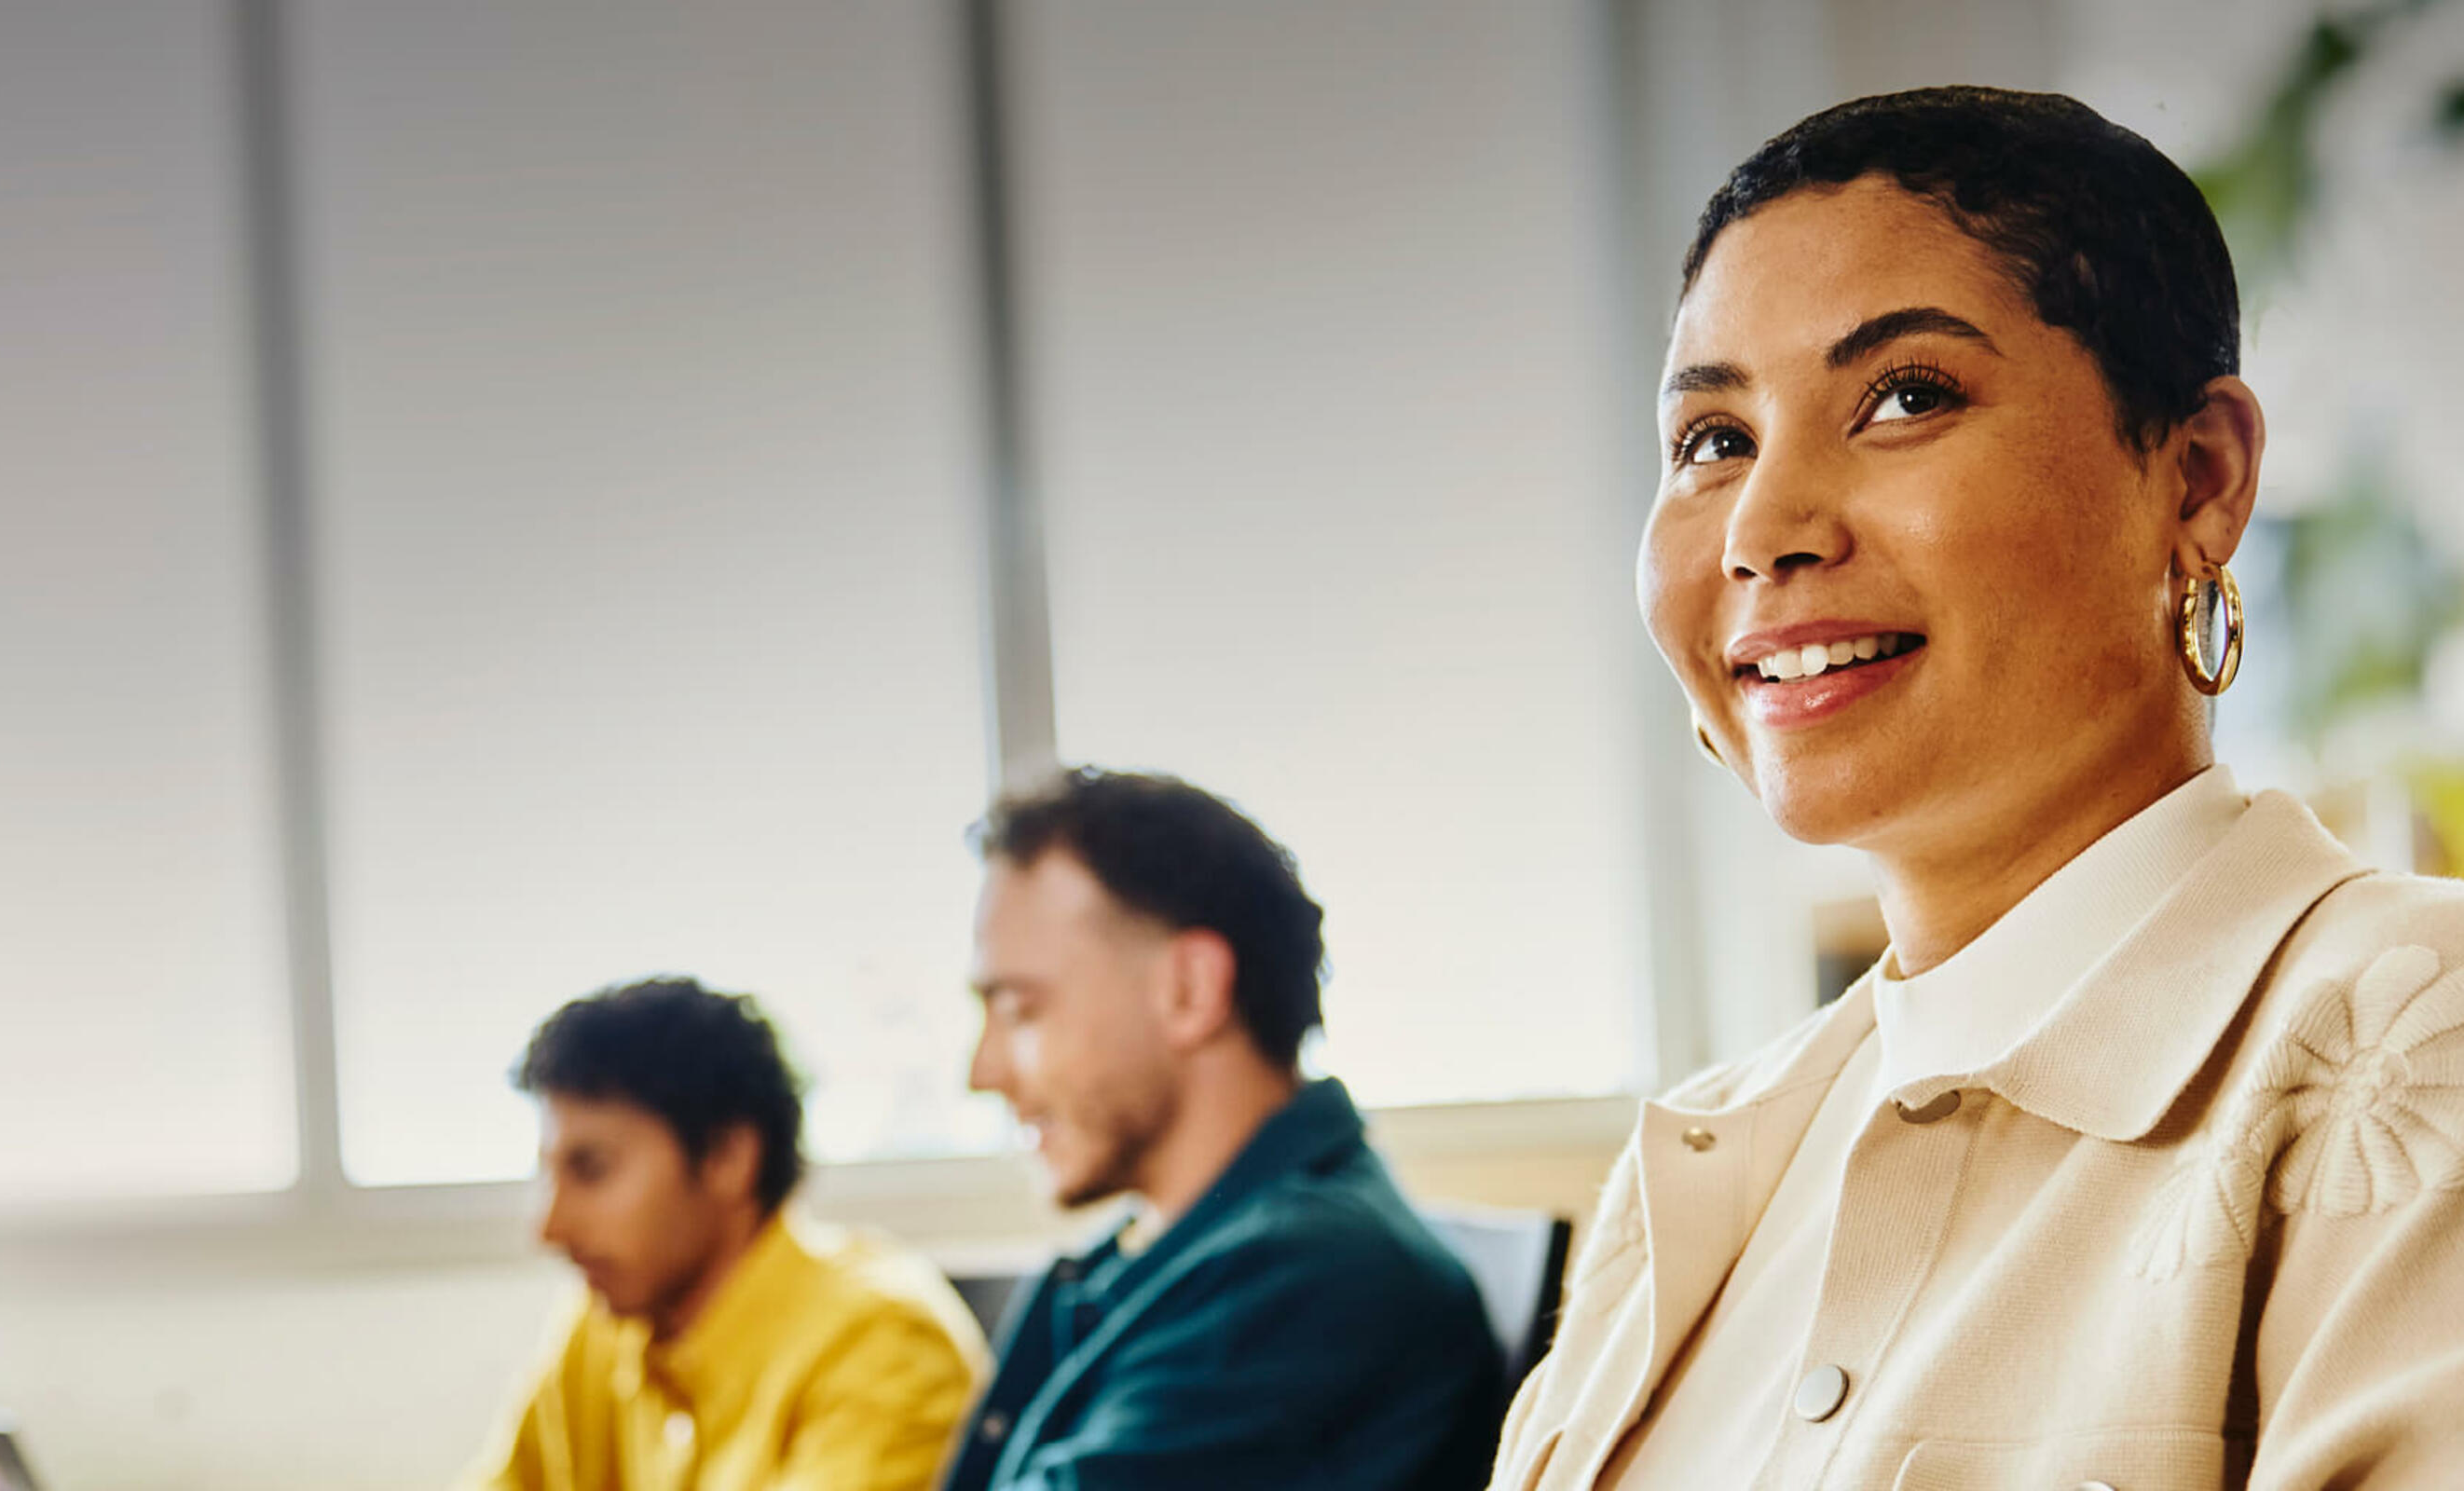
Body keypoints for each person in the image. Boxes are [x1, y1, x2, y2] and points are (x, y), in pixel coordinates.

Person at [1491, 87, 2464, 1489]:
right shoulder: (1714, 1158)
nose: (1764, 531)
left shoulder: (2407, 1044)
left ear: (2195, 479)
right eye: (1714, 442)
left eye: (1904, 398)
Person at [942, 768, 1505, 1491]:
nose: (983, 1072)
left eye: (1020, 1009)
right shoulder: (1167, 1255)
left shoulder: (1311, 1278)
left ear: (1189, 990)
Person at [464, 977, 986, 1491]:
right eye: (548, 1174)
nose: (550, 1229)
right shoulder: (605, 1323)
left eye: (593, 1170)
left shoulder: (884, 1350)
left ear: (728, 1157)